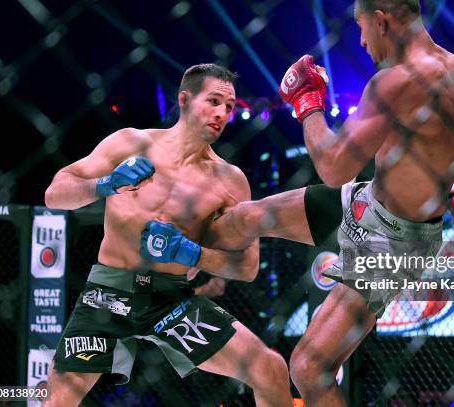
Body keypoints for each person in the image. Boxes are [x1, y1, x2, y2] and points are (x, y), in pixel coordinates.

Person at [140, 1, 454, 405]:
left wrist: (308, 103)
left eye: (362, 29)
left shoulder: (395, 82)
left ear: (381, 19)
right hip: (369, 200)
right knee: (243, 218)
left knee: (309, 368)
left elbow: (332, 168)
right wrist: (437, 150)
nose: (362, 42)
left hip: (394, 242)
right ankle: (164, 271)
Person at [42, 64, 292, 407]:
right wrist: (105, 184)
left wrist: (190, 253)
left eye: (230, 107)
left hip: (170, 301)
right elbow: (55, 195)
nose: (222, 113)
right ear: (185, 100)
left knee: (271, 369)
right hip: (107, 294)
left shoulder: (229, 181)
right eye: (214, 101)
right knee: (56, 401)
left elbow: (247, 267)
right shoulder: (131, 142)